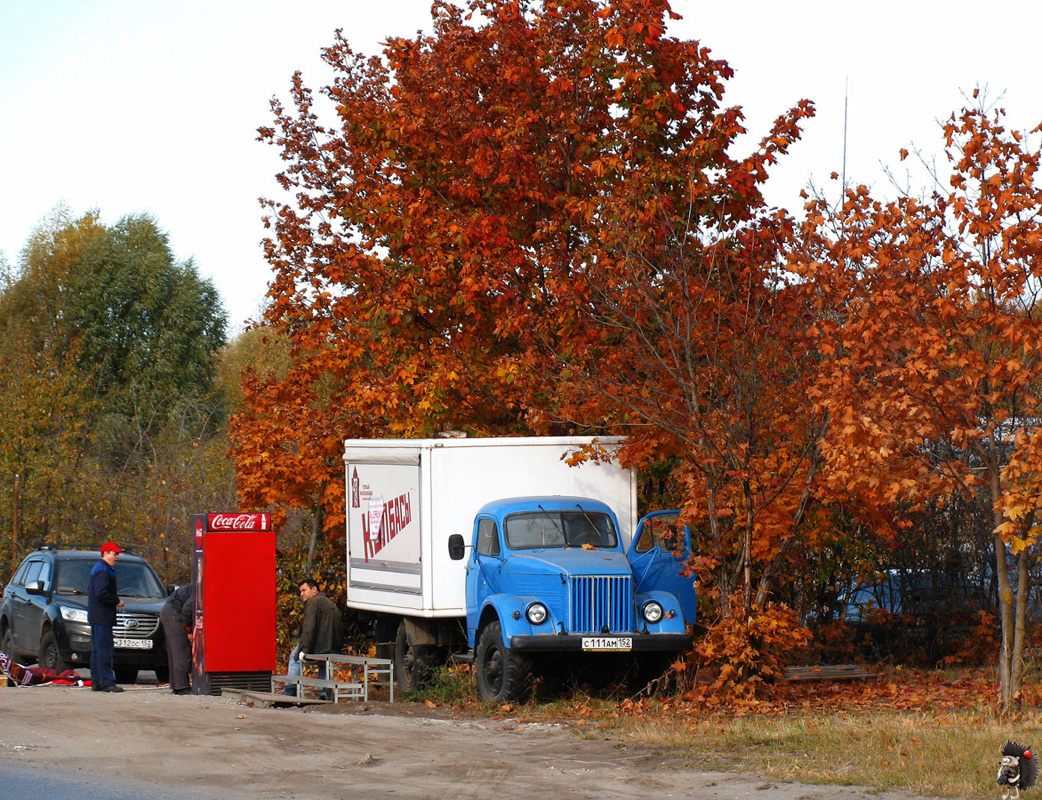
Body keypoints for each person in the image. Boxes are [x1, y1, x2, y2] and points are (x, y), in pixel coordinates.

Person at [284, 578, 344, 695]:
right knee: (323, 665)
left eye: (304, 590)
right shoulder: (329, 603)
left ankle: (290, 690)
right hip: (332, 647)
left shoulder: (312, 603)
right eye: (300, 592)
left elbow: (308, 628)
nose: (301, 594)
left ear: (314, 589)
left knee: (294, 657)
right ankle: (323, 694)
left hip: (319, 647)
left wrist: (304, 649)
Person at [88, 541, 125, 692]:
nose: (117, 557)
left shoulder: (98, 568)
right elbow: (101, 592)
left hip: (97, 615)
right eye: (114, 553)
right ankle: (106, 682)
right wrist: (116, 601)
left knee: (97, 649)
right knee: (104, 649)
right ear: (105, 553)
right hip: (102, 615)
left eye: (118, 554)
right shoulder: (103, 570)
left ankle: (96, 681)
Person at [160, 583, 194, 695]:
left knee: (174, 650)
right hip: (175, 613)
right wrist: (188, 630)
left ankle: (176, 684)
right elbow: (187, 610)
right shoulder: (200, 590)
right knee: (182, 650)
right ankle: (182, 686)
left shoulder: (195, 586)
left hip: (168, 610)